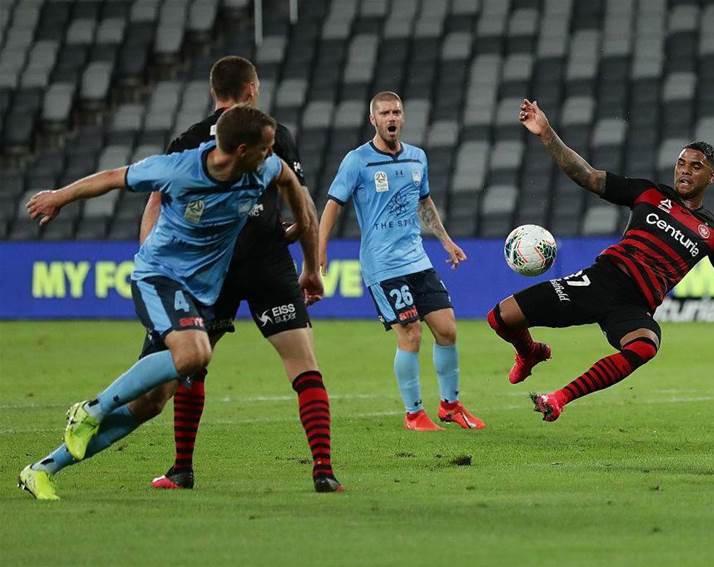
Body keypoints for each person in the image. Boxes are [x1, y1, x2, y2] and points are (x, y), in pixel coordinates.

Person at [19, 105, 324, 499]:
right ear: (243, 149)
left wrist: (302, 225)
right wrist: (59, 197)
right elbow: (114, 177)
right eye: (266, 148)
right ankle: (90, 410)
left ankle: (42, 469)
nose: (273, 153)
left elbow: (290, 183)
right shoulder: (179, 169)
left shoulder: (264, 167)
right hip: (160, 277)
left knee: (150, 403)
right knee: (196, 354)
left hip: (202, 294)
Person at [486, 99, 714, 423]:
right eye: (681, 163)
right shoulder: (648, 194)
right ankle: (529, 352)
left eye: (696, 166)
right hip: (601, 281)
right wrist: (546, 132)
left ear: (711, 177)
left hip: (635, 305)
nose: (685, 170)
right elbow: (586, 175)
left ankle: (559, 398)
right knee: (500, 318)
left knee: (646, 344)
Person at [128, 55, 340, 493]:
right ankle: (323, 470)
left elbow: (153, 207)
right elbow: (302, 204)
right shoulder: (272, 134)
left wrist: (159, 268)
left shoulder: (188, 139)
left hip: (208, 267)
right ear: (251, 90)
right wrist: (312, 268)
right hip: (267, 260)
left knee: (192, 365)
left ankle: (181, 469)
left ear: (213, 91)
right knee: (303, 367)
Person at [318, 91, 485, 431]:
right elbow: (334, 204)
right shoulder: (357, 161)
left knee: (448, 329)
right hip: (383, 265)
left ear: (403, 117)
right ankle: (413, 414)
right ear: (373, 120)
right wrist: (318, 249)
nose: (391, 118)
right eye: (384, 113)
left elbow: (424, 202)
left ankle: (450, 405)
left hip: (417, 259)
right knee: (410, 333)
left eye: (396, 112)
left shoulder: (417, 158)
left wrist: (446, 240)